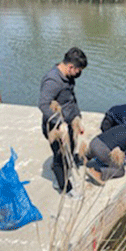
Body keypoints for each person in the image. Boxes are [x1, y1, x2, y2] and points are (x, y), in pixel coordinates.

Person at [38, 47, 88, 197]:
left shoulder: (69, 76)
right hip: (57, 128)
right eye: (79, 70)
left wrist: (77, 117)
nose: (80, 73)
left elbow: (71, 98)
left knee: (71, 150)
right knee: (60, 156)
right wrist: (60, 124)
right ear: (70, 66)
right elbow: (43, 104)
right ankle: (65, 188)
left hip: (70, 123)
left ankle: (61, 173)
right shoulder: (53, 80)